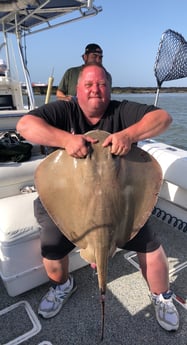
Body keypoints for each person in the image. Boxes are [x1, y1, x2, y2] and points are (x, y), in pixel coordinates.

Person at [16, 62, 179, 331]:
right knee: (52, 249)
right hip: (67, 200)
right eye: (89, 85)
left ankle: (161, 296)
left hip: (122, 201)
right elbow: (25, 126)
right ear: (76, 90)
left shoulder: (122, 110)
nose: (96, 90)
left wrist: (129, 134)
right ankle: (62, 285)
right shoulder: (64, 110)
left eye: (102, 85)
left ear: (109, 89)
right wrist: (66, 140)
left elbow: (163, 118)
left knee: (150, 246)